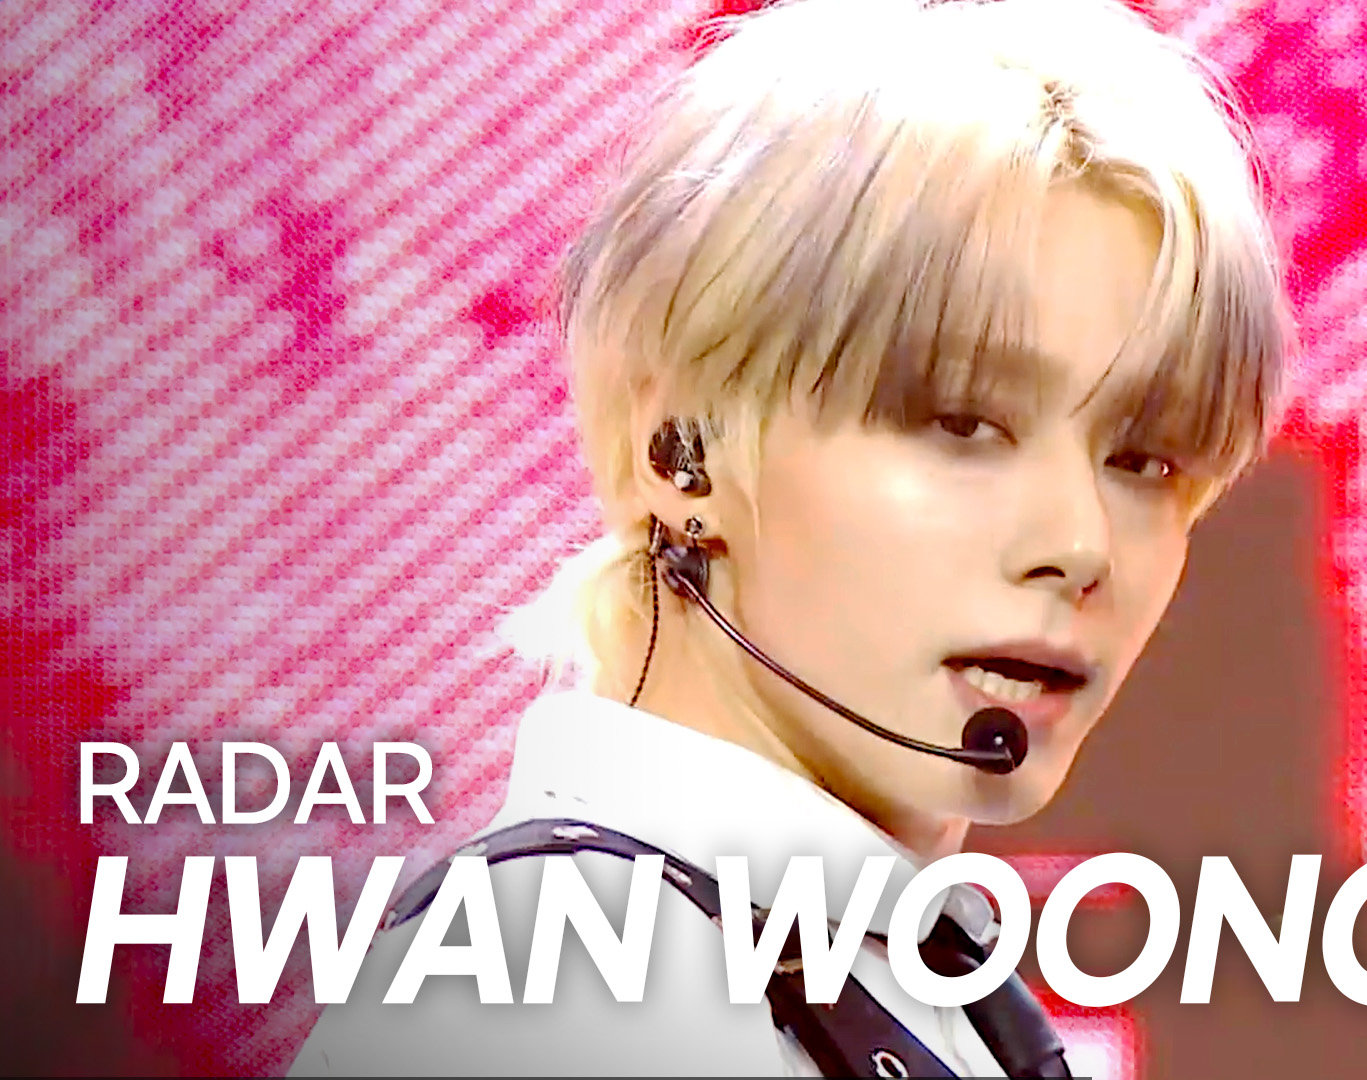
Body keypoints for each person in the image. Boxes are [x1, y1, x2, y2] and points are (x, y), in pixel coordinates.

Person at [290, 0, 1290, 1072]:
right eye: (961, 423)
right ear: (680, 450)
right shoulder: (575, 988)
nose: (1081, 544)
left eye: (1145, 458)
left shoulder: (880, 975)